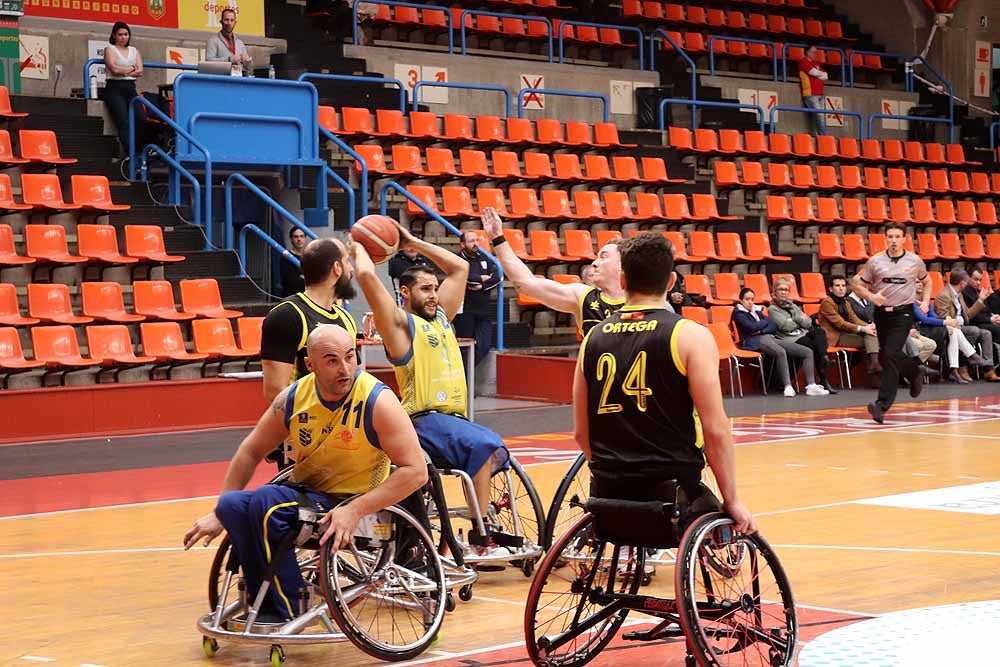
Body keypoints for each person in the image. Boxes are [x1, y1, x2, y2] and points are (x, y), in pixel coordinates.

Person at [182, 325, 428, 622]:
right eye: (332, 360)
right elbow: (251, 450)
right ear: (310, 365)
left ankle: (292, 604)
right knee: (232, 506)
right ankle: (262, 596)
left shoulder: (378, 402)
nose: (344, 368)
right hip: (309, 496)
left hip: (358, 503)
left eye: (350, 357)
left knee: (267, 501)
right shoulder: (295, 397)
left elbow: (416, 472)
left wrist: (355, 509)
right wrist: (218, 511)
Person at [572, 232, 755, 534]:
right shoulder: (691, 336)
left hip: (609, 485)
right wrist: (732, 499)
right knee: (726, 524)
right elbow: (715, 430)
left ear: (623, 280)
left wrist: (616, 470)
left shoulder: (592, 338)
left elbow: (581, 433)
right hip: (672, 487)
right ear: (671, 282)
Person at [353, 220, 510, 550]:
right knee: (484, 444)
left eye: (435, 289)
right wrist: (360, 247)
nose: (434, 295)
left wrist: (412, 240)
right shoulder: (399, 326)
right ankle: (481, 536)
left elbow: (460, 267)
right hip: (421, 422)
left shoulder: (441, 318)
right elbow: (367, 278)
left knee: (485, 443)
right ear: (405, 293)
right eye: (426, 289)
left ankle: (482, 518)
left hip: (452, 421)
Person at [481, 207, 624, 336]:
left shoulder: (645, 300)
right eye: (596, 257)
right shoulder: (583, 297)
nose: (594, 263)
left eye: (603, 257)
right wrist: (498, 238)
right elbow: (524, 283)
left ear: (623, 265)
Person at [261, 237, 357, 417]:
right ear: (337, 268)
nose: (351, 269)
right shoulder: (287, 315)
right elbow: (275, 391)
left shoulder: (345, 318)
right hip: (306, 429)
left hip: (343, 429)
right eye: (347, 262)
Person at [852, 222, 932, 424]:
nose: (894, 240)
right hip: (881, 313)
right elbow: (859, 285)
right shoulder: (875, 261)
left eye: (897, 236)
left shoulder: (914, 261)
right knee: (889, 357)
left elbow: (927, 281)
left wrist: (924, 301)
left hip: (903, 312)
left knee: (890, 354)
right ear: (885, 238)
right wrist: (872, 297)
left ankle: (881, 406)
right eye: (890, 237)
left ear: (904, 238)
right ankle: (915, 371)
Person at [733, 288, 828, 397]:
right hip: (754, 341)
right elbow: (751, 327)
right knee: (781, 352)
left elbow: (773, 325)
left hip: (769, 337)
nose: (750, 302)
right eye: (747, 299)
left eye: (752, 299)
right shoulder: (738, 313)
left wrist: (761, 329)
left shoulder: (757, 312)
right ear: (741, 300)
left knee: (807, 351)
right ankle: (787, 386)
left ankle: (811, 385)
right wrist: (764, 324)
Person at [769, 277, 837, 394]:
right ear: (775, 292)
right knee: (813, 346)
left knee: (819, 331)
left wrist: (794, 319)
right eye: (780, 289)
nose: (783, 292)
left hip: (803, 335)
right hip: (790, 340)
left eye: (786, 290)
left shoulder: (793, 306)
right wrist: (798, 318)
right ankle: (821, 379)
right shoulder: (773, 309)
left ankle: (824, 357)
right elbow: (786, 326)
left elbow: (808, 323)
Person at [933, 269, 998, 381]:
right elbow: (944, 318)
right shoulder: (944, 295)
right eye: (966, 281)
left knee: (986, 333)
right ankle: (967, 361)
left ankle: (988, 369)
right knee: (974, 330)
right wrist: (959, 320)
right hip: (950, 328)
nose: (967, 284)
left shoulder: (959, 295)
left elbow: (968, 314)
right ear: (962, 282)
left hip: (961, 326)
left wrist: (980, 300)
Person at [913, 296, 991, 384]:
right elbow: (924, 320)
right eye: (917, 282)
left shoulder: (925, 302)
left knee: (953, 330)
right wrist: (945, 322)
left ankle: (954, 369)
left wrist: (948, 320)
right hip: (920, 331)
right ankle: (970, 356)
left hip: (932, 330)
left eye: (921, 283)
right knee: (951, 329)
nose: (919, 285)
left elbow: (934, 317)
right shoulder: (911, 302)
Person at [818, 274, 882, 380]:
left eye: (843, 286)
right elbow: (840, 323)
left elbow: (854, 319)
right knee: (871, 337)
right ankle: (874, 365)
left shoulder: (845, 302)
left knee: (871, 333)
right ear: (830, 289)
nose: (841, 288)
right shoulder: (827, 303)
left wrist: (868, 326)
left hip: (847, 333)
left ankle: (873, 367)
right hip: (835, 337)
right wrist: (862, 329)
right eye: (837, 286)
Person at [454, 231, 501, 367]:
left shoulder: (484, 257)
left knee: (484, 346)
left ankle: (464, 373)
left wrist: (482, 285)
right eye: (471, 241)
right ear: (462, 244)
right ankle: (462, 381)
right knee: (464, 348)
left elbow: (498, 277)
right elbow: (462, 278)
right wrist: (481, 278)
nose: (476, 244)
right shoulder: (457, 259)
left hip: (483, 311)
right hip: (465, 311)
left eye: (477, 240)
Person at [102, 22, 144, 157]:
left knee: (140, 117)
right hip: (114, 87)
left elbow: (140, 71)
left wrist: (124, 71)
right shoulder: (110, 49)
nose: (123, 37)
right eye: (120, 34)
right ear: (114, 35)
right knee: (123, 120)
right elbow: (113, 69)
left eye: (126, 34)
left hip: (130, 88)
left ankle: (139, 149)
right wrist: (131, 69)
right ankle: (130, 152)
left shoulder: (134, 50)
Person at [964, 267, 1000, 353]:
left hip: (985, 322)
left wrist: (993, 316)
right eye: (976, 279)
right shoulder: (964, 293)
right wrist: (989, 319)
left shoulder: (979, 291)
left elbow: (987, 310)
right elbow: (970, 316)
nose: (978, 283)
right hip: (975, 324)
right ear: (967, 277)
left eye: (980, 280)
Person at [206, 8, 253, 74]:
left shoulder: (240, 43)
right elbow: (208, 62)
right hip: (220, 80)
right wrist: (228, 59)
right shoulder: (213, 40)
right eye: (226, 20)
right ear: (221, 21)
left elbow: (248, 68)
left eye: (232, 20)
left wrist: (247, 62)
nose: (229, 23)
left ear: (235, 22)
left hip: (237, 80)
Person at [798, 45, 828, 136]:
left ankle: (817, 136)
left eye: (816, 52)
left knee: (819, 116)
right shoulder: (803, 62)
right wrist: (819, 74)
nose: (815, 54)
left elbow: (826, 76)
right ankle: (824, 137)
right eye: (813, 52)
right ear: (807, 52)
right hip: (811, 94)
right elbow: (813, 72)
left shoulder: (816, 63)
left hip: (820, 94)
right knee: (820, 116)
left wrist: (818, 74)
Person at [279, 228, 308, 297]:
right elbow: (291, 281)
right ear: (291, 239)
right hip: (292, 296)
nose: (299, 239)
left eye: (301, 236)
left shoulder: (309, 256)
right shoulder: (286, 257)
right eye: (296, 236)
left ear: (305, 238)